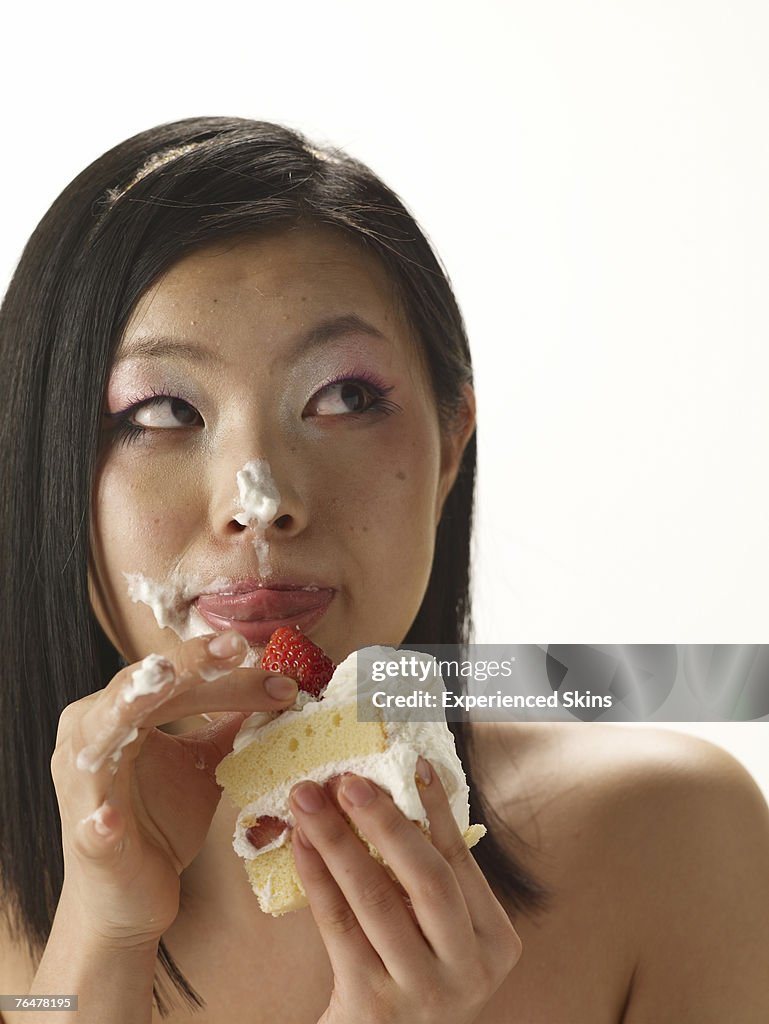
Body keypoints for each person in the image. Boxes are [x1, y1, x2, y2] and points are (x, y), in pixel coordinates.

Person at [0, 117, 767, 1024]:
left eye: (344, 396)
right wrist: (100, 939)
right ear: (40, 469)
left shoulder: (668, 835)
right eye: (164, 408)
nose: (261, 500)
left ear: (449, 449)